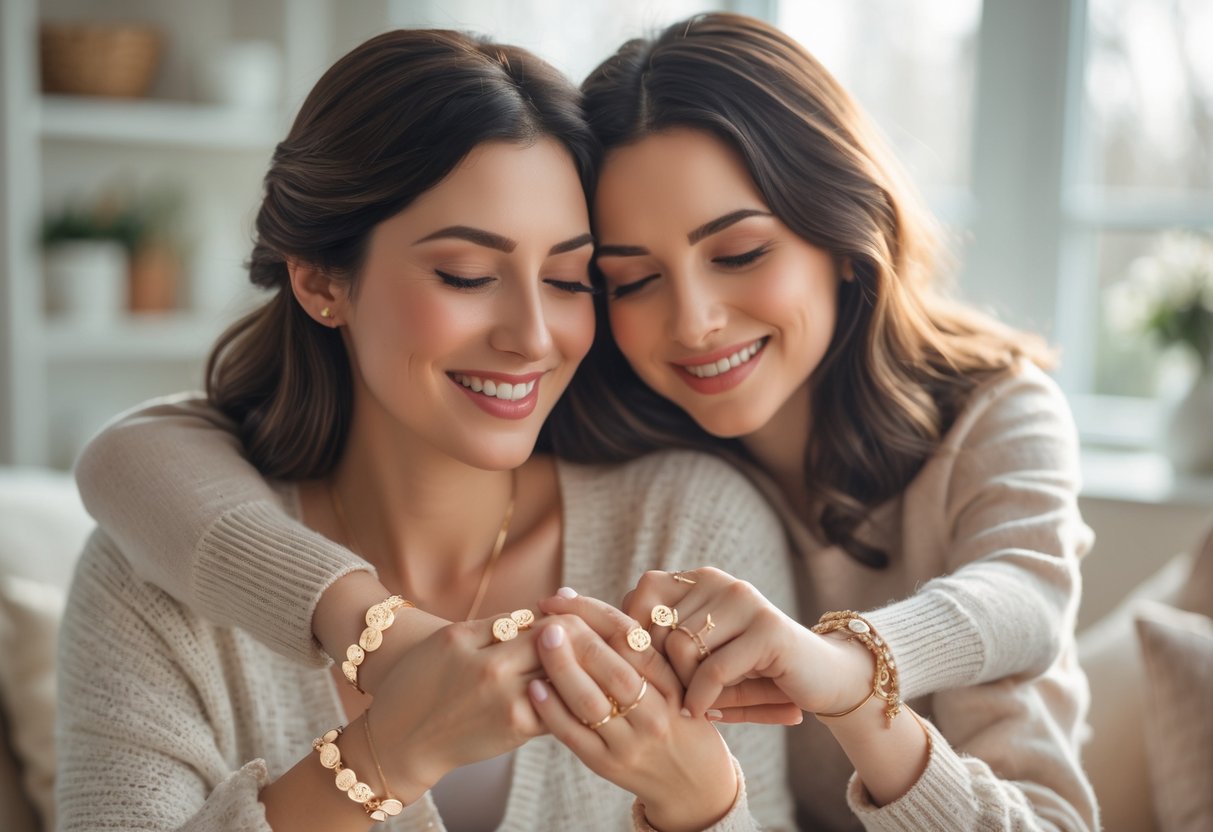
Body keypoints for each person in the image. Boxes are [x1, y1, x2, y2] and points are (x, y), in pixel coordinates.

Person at [74, 12, 1097, 832]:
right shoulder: (166, 551)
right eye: (624, 279)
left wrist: (831, 682)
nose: (692, 320)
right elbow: (129, 456)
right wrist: (375, 680)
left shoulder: (938, 436)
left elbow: (1021, 601)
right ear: (318, 279)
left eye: (567, 280)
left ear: (845, 232)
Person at [56, 28, 797, 832]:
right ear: (319, 281)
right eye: (467, 276)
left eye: (567, 279)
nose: (533, 335)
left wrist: (702, 808)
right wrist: (381, 758)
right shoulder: (158, 581)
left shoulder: (688, 532)